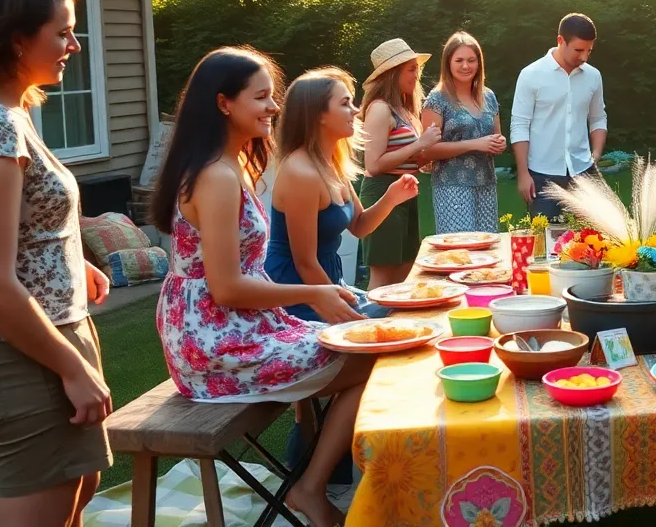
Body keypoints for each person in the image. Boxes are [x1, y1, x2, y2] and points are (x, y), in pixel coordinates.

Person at [151, 47, 384, 527]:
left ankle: (316, 476)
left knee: (373, 344)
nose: (274, 108)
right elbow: (228, 288)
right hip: (214, 344)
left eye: (272, 97)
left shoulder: (229, 165)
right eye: (261, 98)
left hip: (239, 328)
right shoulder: (216, 175)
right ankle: (311, 488)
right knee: (370, 354)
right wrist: (313, 293)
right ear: (223, 104)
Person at [0, 0, 113, 527]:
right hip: (13, 353)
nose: (74, 43)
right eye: (62, 32)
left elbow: (16, 232)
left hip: (35, 338)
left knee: (77, 492)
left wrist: (73, 263)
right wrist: (71, 367)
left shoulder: (6, 114)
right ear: (15, 40)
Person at [268, 67, 420, 316]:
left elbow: (359, 226)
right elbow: (304, 263)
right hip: (299, 293)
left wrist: (392, 197)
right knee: (394, 323)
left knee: (409, 307)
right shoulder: (300, 173)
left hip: (329, 285)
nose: (357, 110)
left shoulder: (330, 163)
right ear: (319, 115)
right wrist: (347, 312)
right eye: (345, 103)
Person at [358, 39, 440, 289]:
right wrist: (418, 145)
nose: (416, 75)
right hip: (383, 193)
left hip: (405, 193)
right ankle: (374, 325)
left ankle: (400, 327)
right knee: (384, 276)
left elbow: (402, 154)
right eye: (410, 69)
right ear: (392, 74)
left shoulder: (403, 109)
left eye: (417, 69)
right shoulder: (380, 109)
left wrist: (422, 161)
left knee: (405, 273)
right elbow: (373, 165)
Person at [510, 13, 607, 221]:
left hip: (583, 171)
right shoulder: (531, 75)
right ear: (560, 41)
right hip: (541, 174)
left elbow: (598, 118)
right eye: (578, 50)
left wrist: (595, 156)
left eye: (589, 50)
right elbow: (519, 125)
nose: (584, 57)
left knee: (591, 241)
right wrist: (523, 174)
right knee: (545, 242)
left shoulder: (593, 76)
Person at [420, 32, 505, 234]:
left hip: (486, 183)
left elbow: (496, 137)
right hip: (452, 186)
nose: (465, 66)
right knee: (460, 249)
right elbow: (426, 151)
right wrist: (475, 144)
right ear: (448, 63)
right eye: (459, 60)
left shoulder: (488, 96)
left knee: (487, 248)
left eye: (471, 60)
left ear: (479, 63)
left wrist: (499, 143)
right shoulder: (437, 98)